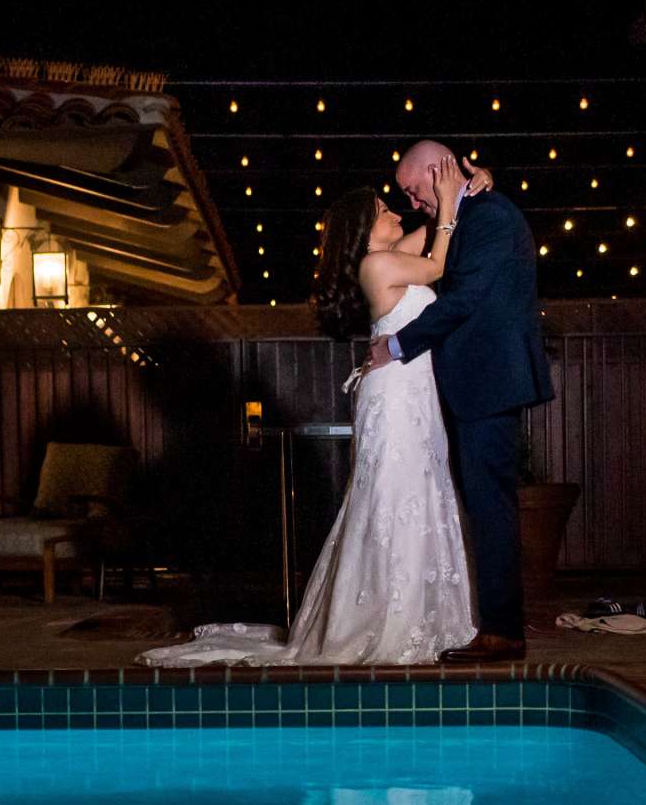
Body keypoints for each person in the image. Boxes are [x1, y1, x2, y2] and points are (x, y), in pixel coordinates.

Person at [138, 155, 483, 667]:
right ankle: (390, 619)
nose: (395, 214)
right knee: (395, 495)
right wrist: (450, 210)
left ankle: (425, 615)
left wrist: (468, 186)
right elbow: (437, 262)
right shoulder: (377, 265)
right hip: (395, 400)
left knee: (420, 491)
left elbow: (435, 228)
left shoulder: (389, 256)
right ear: (365, 229)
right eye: (385, 210)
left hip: (415, 396)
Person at [366, 140, 553, 661]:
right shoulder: (460, 213)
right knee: (482, 502)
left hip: (489, 379)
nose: (410, 202)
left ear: (439, 170)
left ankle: (502, 631)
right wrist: (454, 199)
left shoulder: (489, 215)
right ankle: (492, 623)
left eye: (413, 189)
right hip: (469, 382)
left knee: (490, 505)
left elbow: (467, 298)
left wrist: (397, 346)